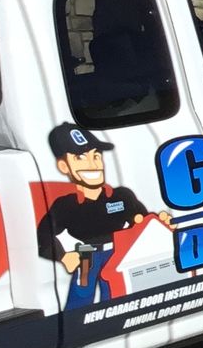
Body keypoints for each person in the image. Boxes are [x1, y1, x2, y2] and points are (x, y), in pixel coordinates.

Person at [35, 125, 172, 310]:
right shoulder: (66, 205)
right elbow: (42, 235)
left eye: (96, 156)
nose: (92, 165)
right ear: (64, 166)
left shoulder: (120, 196)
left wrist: (159, 224)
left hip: (118, 253)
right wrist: (63, 256)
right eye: (80, 157)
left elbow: (141, 220)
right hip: (87, 256)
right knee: (81, 298)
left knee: (115, 296)